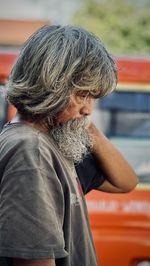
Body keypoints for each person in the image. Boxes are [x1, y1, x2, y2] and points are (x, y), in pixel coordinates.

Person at [0, 25, 138, 266]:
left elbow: (125, 182)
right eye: (81, 94)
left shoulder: (53, 143)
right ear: (49, 85)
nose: (88, 109)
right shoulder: (31, 151)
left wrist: (85, 125)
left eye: (92, 97)